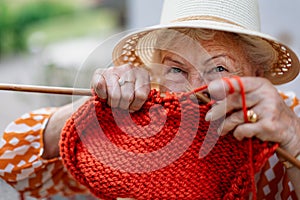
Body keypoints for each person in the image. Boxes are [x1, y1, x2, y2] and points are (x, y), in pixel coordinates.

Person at [0, 0, 300, 199]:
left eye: (219, 68)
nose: (194, 88)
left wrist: (294, 140)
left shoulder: (286, 117)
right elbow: (12, 164)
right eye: (176, 68)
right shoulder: (146, 125)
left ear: (257, 73)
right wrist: (95, 106)